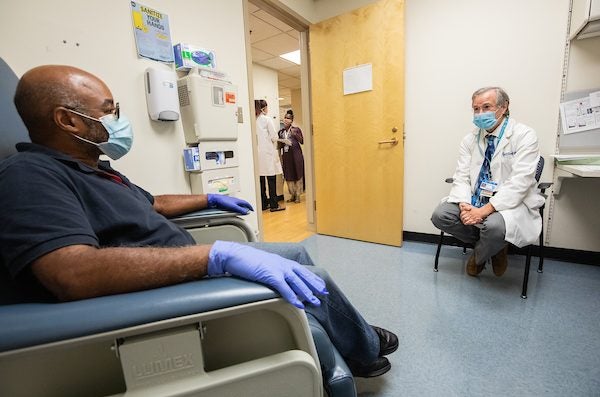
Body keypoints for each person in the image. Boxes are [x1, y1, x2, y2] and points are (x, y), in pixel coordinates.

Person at [0, 65, 398, 378]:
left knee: (295, 250)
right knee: (315, 273)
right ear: (67, 121)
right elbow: (70, 272)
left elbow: (151, 202)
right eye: (109, 110)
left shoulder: (94, 167)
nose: (117, 119)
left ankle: (353, 335)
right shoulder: (29, 174)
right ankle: (363, 351)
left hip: (185, 259)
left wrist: (206, 197)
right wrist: (213, 258)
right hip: (157, 287)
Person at [431, 87, 544, 277]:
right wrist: (464, 204)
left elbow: (521, 182)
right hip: (475, 199)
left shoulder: (525, 135)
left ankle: (480, 256)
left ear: (504, 107)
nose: (480, 113)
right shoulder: (470, 140)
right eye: (476, 109)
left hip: (509, 203)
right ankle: (495, 247)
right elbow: (462, 176)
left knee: (495, 227)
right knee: (440, 215)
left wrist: (483, 211)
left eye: (486, 107)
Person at [255, 99, 285, 212]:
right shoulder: (267, 120)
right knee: (271, 179)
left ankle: (263, 204)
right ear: (263, 108)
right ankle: (273, 205)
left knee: (261, 179)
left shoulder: (253, 120)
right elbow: (274, 137)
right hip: (267, 153)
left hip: (257, 154)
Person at [278, 109, 305, 203]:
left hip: (296, 156)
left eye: (288, 118)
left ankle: (298, 195)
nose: (286, 120)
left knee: (297, 175)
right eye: (285, 118)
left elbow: (302, 141)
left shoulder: (296, 129)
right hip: (286, 156)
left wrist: (295, 134)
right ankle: (292, 195)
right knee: (289, 176)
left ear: (292, 120)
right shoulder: (281, 132)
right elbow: (279, 146)